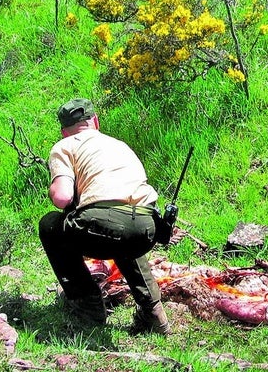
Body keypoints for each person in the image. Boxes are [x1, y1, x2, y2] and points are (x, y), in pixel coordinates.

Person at [38, 98, 170, 334]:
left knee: (50, 225)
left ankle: (87, 306)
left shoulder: (65, 146)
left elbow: (62, 197)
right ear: (95, 122)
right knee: (123, 233)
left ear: (63, 131)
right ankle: (154, 314)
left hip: (106, 224)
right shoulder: (119, 144)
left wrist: (53, 187)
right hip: (148, 225)